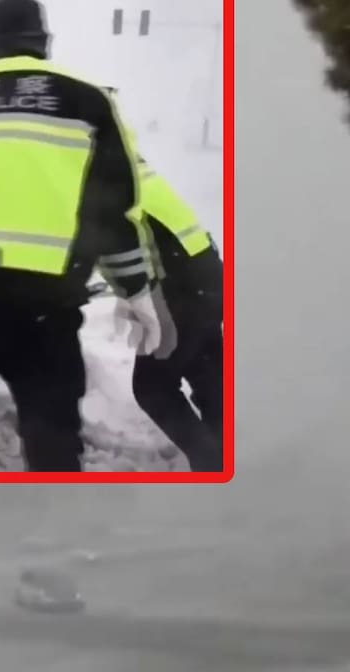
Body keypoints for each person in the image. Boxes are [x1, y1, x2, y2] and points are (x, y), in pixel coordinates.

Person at [0, 0, 170, 473]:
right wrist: (137, 291)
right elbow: (111, 212)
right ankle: (50, 536)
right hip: (43, 309)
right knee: (51, 443)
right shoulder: (88, 102)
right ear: (42, 44)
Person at [120, 154, 225, 472]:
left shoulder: (90, 170)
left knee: (152, 387)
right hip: (207, 273)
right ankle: (231, 469)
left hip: (174, 288)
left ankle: (212, 465)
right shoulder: (127, 159)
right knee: (211, 382)